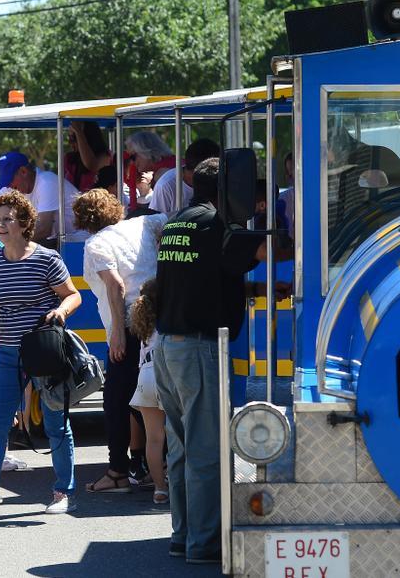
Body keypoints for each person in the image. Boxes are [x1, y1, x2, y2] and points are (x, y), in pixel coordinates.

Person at [154, 157, 277, 564]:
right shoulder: (216, 226)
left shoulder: (177, 221)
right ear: (228, 191)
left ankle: (182, 533)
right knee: (206, 450)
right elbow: (266, 249)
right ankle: (203, 544)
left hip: (167, 347)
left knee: (181, 448)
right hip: (197, 347)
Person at [0, 190, 82, 516]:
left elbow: (72, 295)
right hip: (7, 352)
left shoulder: (46, 258)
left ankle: (62, 492)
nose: (0, 225)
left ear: (24, 223)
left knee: (55, 421)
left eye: (7, 219)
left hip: (43, 351)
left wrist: (62, 312)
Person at [72, 189, 166, 494]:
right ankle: (158, 464)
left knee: (116, 400)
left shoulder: (96, 244)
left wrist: (116, 333)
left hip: (130, 326)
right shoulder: (143, 225)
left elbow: (115, 285)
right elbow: (170, 223)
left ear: (83, 220)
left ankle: (118, 471)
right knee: (151, 398)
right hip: (159, 319)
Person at [129, 279, 168, 504]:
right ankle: (176, 480)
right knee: (176, 435)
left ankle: (159, 489)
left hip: (145, 377)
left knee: (153, 439)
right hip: (166, 374)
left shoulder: (144, 325)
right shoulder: (170, 322)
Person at [0, 151, 81, 243]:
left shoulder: (47, 182)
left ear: (23, 172)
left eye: (10, 180)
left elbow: (43, 229)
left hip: (78, 241)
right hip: (61, 241)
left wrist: (12, 243)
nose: (8, 186)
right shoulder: (14, 186)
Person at [150, 139, 221, 218]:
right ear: (195, 171)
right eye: (204, 176)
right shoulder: (165, 185)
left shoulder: (221, 180)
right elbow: (154, 221)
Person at [124, 131, 176, 210]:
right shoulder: (172, 162)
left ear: (146, 151)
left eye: (133, 157)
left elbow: (161, 213)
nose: (132, 162)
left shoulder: (163, 173)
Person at [64, 120, 113, 192]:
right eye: (69, 139)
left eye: (73, 139)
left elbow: (92, 165)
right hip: (73, 202)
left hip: (95, 202)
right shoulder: (69, 158)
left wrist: (78, 131)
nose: (70, 143)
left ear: (88, 137)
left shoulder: (104, 156)